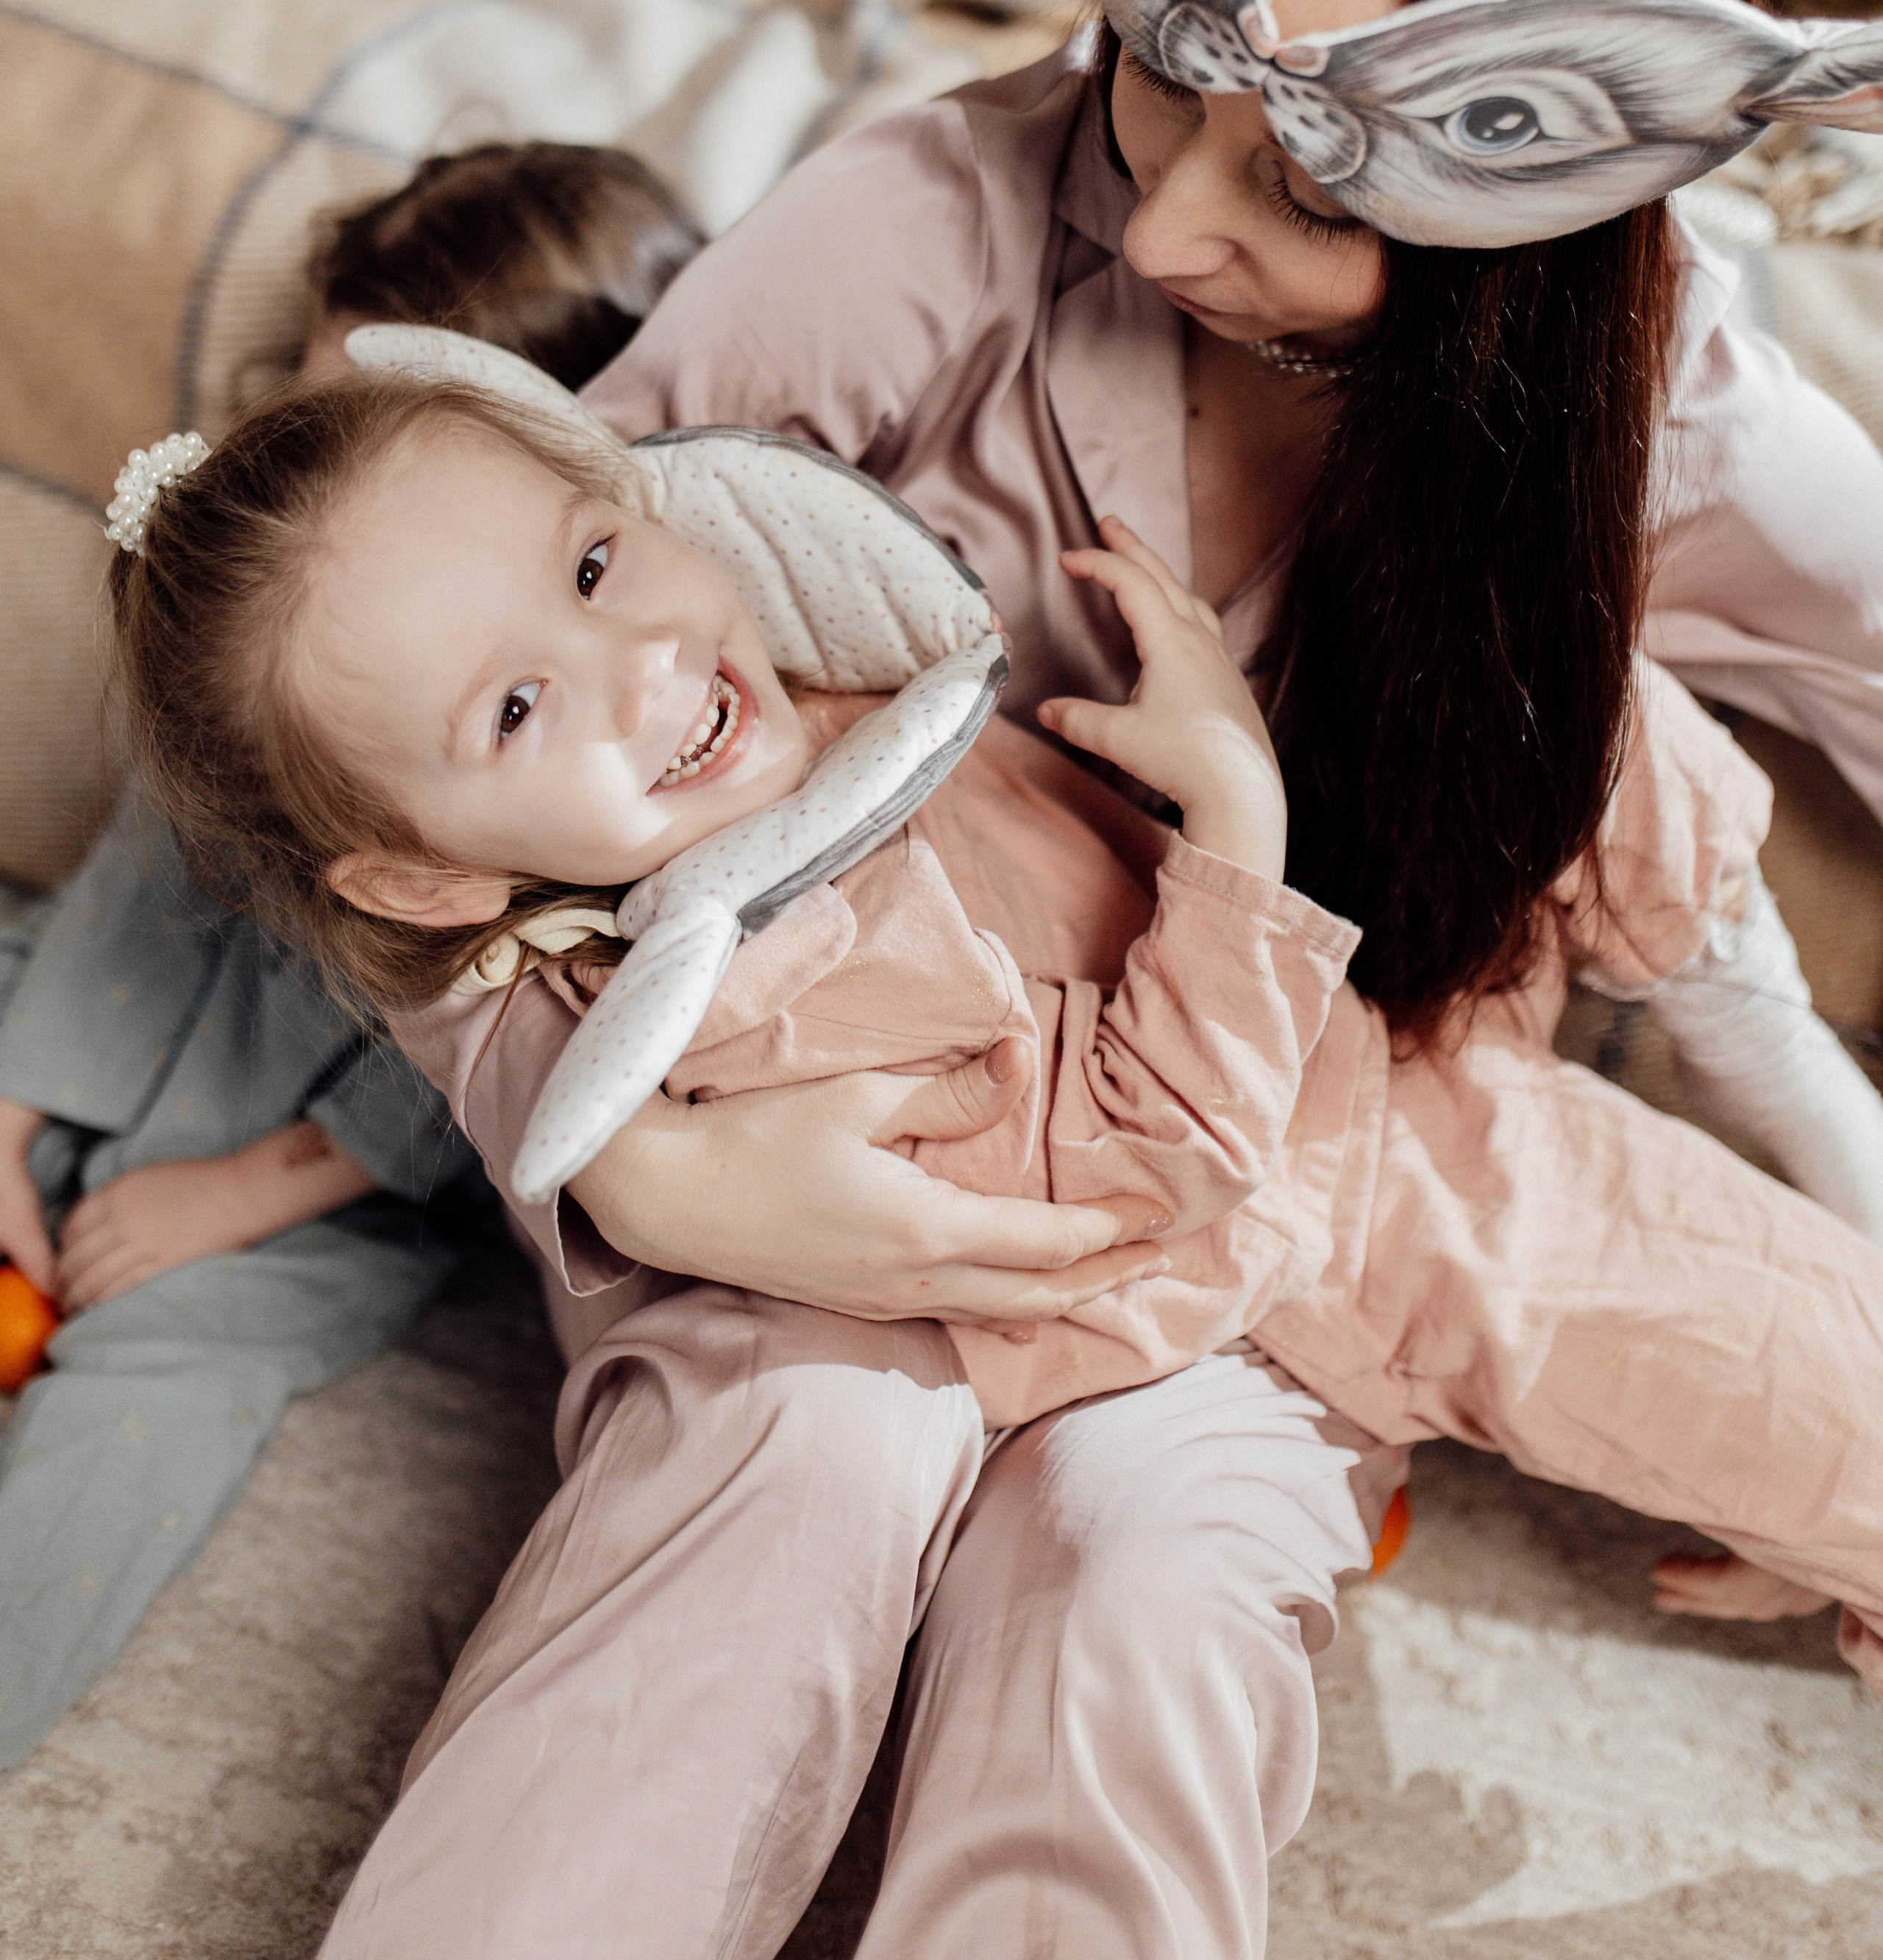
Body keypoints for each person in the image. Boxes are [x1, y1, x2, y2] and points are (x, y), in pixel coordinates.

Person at [271, 0, 1883, 1954]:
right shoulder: (922, 223)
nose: (1165, 222)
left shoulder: (1665, 405)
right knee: (795, 1468)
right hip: (833, 1124)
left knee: (1142, 1568)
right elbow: (453, 712)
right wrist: (644, 1154)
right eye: (1161, 71)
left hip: (1259, 1191)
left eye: (1312, 182)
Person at [96, 331, 1883, 1960]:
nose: (637, 666)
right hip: (1185, 1281)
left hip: (1384, 1145)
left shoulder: (868, 704)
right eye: (513, 709)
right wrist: (1234, 823)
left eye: (592, 566)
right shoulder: (740, 987)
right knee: (1111, 1630)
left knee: (1802, 1365)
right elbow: (1144, 1170)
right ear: (428, 878)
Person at [0, 138, 700, 1773]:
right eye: (306, 410)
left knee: (159, 1391)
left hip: (325, 1187)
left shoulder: (582, 766)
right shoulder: (277, 649)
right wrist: (16, 1107)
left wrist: (242, 1193)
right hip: (110, 1004)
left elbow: (506, 1055)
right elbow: (122, 889)